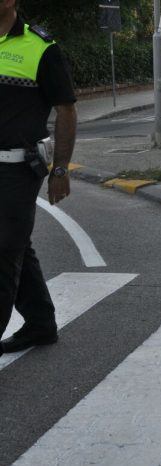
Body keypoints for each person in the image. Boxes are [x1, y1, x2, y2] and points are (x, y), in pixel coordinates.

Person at [0, 0, 77, 356]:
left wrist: (60, 169)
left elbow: (66, 110)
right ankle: (40, 324)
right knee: (16, 246)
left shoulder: (41, 47)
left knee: (3, 251)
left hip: (18, 168)